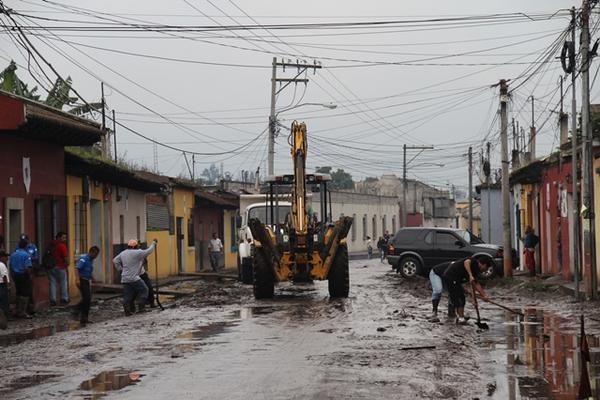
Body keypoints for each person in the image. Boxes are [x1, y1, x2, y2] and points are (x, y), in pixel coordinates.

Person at [429, 257, 490, 325]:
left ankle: (452, 313)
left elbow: (474, 284)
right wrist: (470, 275)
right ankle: (435, 312)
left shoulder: (473, 270)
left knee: (456, 293)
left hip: (449, 276)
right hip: (437, 273)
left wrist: (479, 297)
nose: (485, 271)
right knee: (439, 290)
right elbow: (466, 262)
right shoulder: (473, 262)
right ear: (484, 265)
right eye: (486, 269)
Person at [113, 239, 156, 316]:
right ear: (134, 246)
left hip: (125, 278)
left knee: (128, 295)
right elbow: (149, 251)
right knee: (144, 290)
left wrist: (120, 269)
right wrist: (154, 243)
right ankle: (141, 307)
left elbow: (115, 260)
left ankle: (127, 311)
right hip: (134, 278)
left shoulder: (123, 253)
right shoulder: (137, 252)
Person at [75, 246, 99, 325]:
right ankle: (79, 312)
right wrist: (77, 279)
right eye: (95, 254)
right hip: (82, 280)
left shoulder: (90, 260)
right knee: (87, 298)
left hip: (86, 280)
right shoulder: (84, 259)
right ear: (91, 252)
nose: (96, 256)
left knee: (87, 299)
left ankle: (84, 317)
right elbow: (77, 268)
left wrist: (93, 279)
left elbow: (88, 271)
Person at [9, 239, 33, 318]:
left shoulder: (13, 254)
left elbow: (11, 266)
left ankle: (18, 310)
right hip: (24, 275)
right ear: (26, 246)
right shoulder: (26, 255)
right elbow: (28, 268)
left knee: (18, 293)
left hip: (16, 275)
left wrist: (13, 276)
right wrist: (29, 276)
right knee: (25, 293)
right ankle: (23, 311)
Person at [49, 232, 70, 306]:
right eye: (63, 237)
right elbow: (65, 257)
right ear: (58, 237)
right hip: (60, 266)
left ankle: (53, 300)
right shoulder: (62, 246)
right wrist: (67, 263)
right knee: (63, 283)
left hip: (51, 266)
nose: (65, 239)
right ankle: (64, 298)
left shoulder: (51, 245)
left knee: (52, 283)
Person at [0, 251, 10, 329]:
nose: (7, 258)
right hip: (2, 286)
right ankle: (3, 323)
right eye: (5, 257)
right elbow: (4, 277)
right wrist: (7, 287)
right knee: (3, 305)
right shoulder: (2, 264)